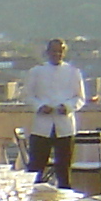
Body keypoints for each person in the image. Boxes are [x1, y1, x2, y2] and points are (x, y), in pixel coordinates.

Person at [21, 38, 87, 188]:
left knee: (64, 170)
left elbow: (80, 98)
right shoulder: (36, 72)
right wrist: (40, 106)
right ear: (47, 52)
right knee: (36, 169)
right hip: (41, 127)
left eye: (60, 51)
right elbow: (27, 96)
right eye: (54, 51)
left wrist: (68, 107)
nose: (57, 54)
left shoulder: (73, 72)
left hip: (65, 127)